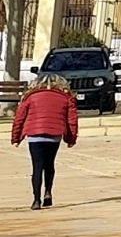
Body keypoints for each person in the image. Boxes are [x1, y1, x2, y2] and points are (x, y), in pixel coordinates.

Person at [10, 72, 79, 209]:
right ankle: (48, 192)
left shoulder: (30, 97)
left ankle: (36, 200)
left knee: (37, 167)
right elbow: (72, 121)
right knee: (49, 164)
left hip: (34, 135)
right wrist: (70, 139)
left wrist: (16, 137)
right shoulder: (65, 98)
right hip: (54, 134)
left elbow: (19, 118)